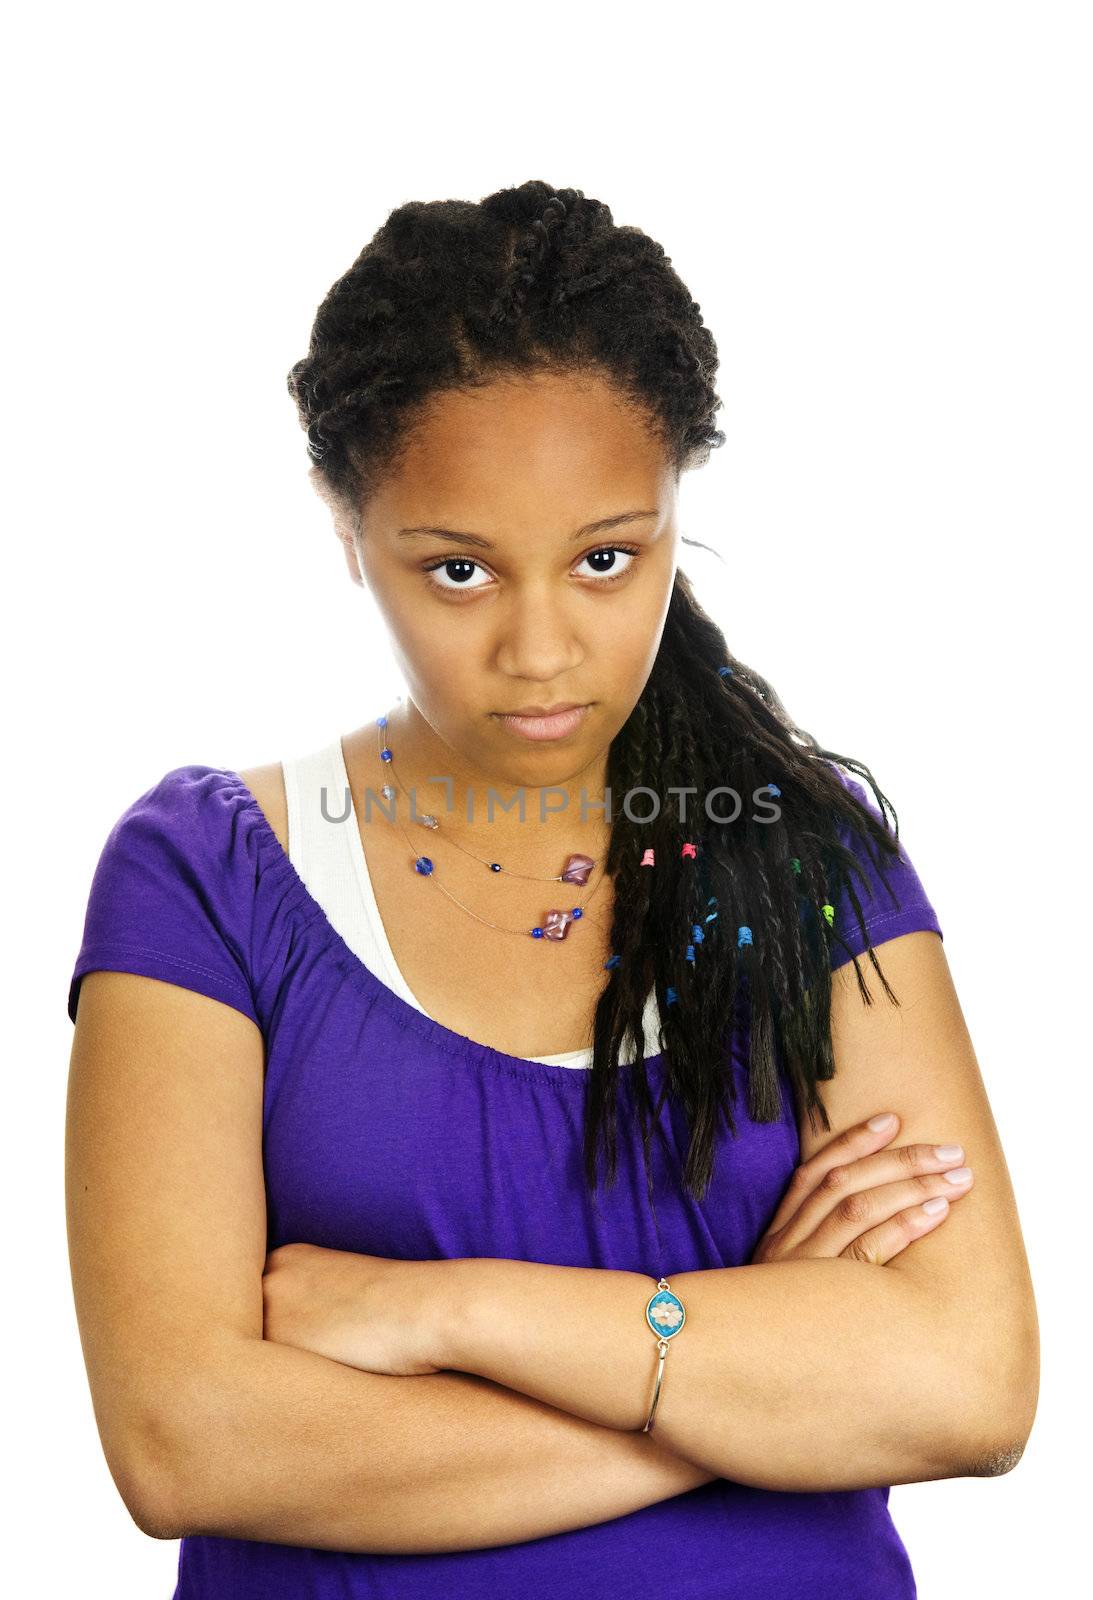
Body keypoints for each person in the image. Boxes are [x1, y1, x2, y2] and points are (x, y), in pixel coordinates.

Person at [64, 180, 1038, 1599]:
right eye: (457, 570)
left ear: (668, 515)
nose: (539, 648)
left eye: (603, 558)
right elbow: (184, 1447)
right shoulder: (206, 875)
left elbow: (968, 1388)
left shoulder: (808, 859)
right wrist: (750, 1374)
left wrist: (436, 1311)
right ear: (346, 526)